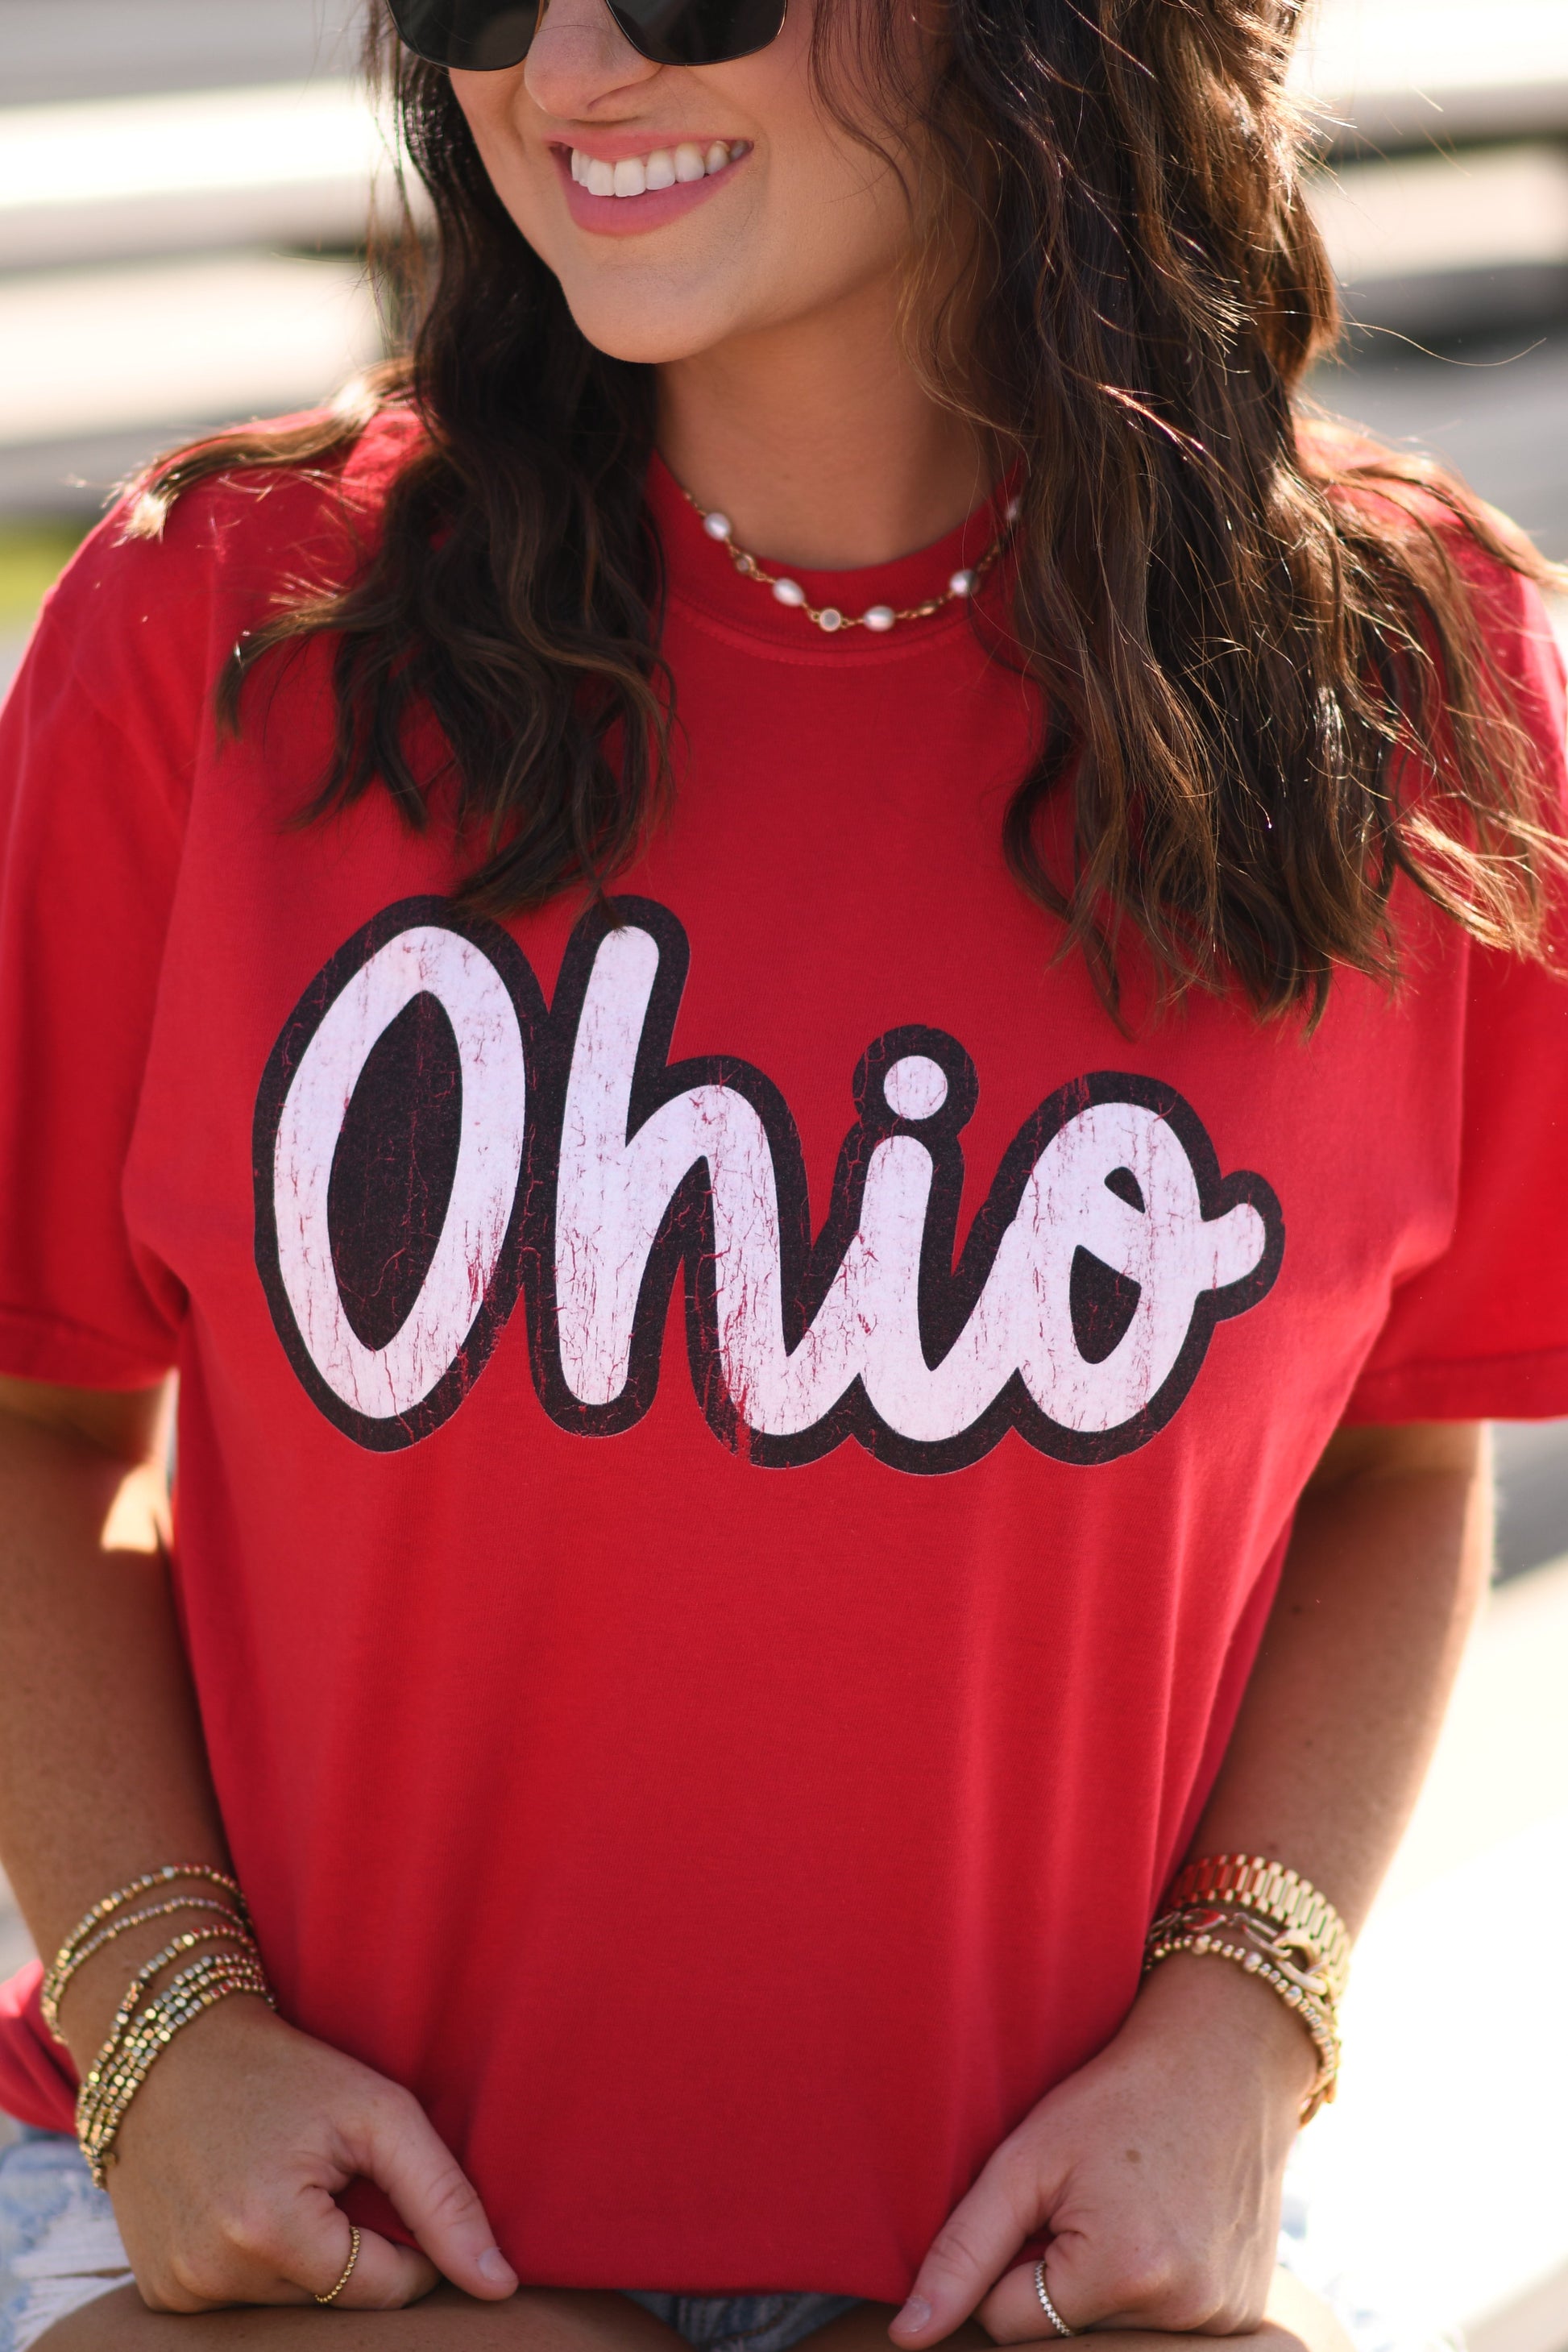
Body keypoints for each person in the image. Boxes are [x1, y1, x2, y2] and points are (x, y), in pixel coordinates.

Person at [0, 0, 1564, 2341]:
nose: (569, 68)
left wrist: (1242, 2038)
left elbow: (1396, 1461)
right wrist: (164, 2029)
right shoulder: (220, 632)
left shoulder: (1410, 697)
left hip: (1051, 2262)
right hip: (312, 2247)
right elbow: (35, 1424)